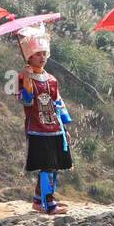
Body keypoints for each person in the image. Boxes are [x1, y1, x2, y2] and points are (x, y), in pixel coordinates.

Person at [17, 24, 73, 215]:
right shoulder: (23, 77)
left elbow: (58, 103)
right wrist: (26, 80)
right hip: (37, 128)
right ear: (29, 57)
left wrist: (64, 126)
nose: (42, 57)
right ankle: (48, 204)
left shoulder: (51, 79)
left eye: (44, 53)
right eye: (38, 54)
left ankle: (38, 200)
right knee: (47, 166)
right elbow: (25, 100)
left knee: (55, 165)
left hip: (54, 128)